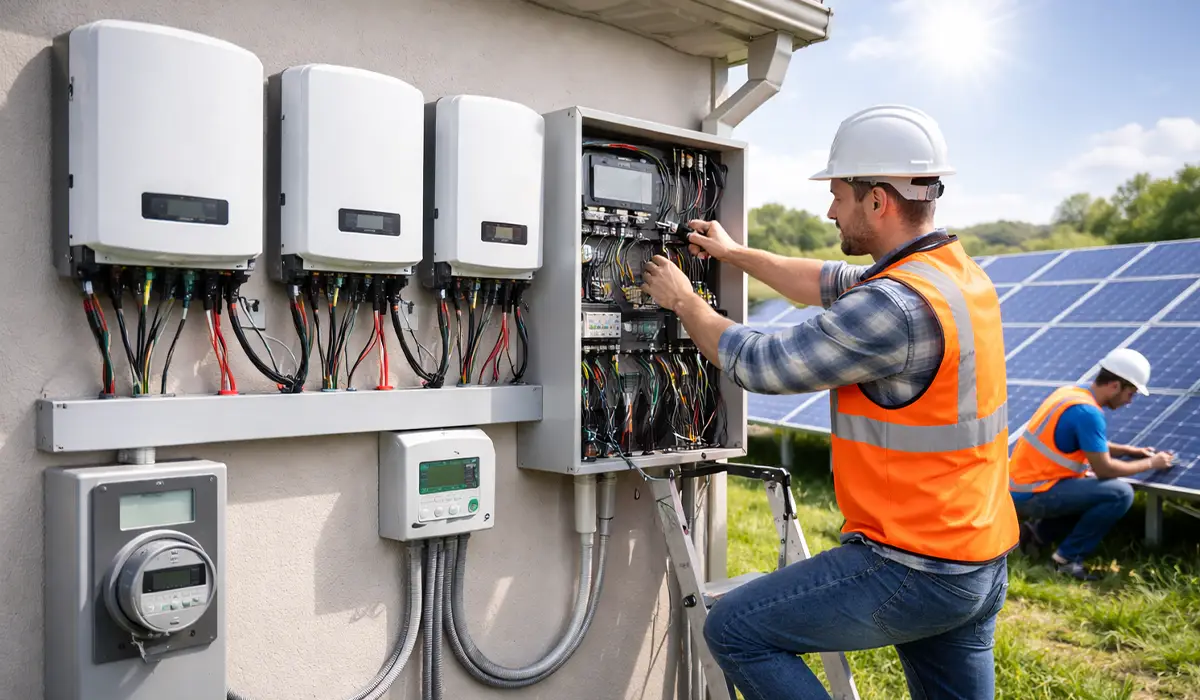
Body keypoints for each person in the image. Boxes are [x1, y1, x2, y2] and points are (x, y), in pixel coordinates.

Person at [639, 104, 1016, 700]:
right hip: (978, 558)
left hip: (912, 566)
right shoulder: (951, 275)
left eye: (838, 194)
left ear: (878, 201)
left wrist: (687, 303)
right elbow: (821, 280)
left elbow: (763, 364)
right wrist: (735, 255)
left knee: (735, 628)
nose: (829, 208)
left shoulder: (893, 306)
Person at [1008, 348, 1175, 580]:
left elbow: (1088, 443)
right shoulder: (1088, 413)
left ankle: (1035, 536)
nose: (1130, 401)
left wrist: (1128, 450)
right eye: (1131, 393)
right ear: (1115, 386)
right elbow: (1105, 469)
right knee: (1119, 494)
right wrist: (1151, 463)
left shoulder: (1070, 394)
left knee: (1089, 488)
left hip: (1022, 488)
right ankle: (1065, 560)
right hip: (1034, 494)